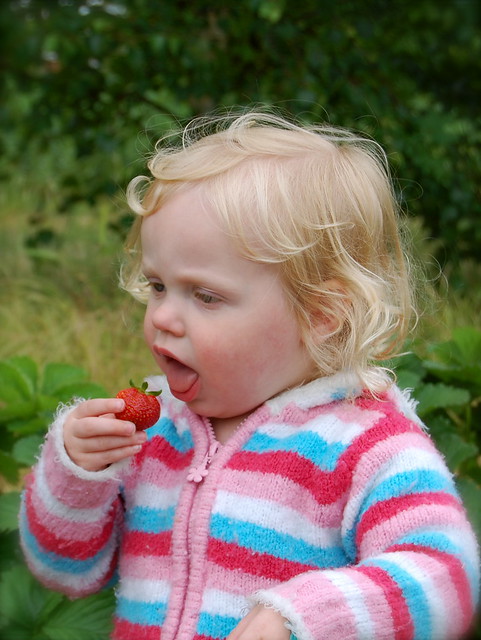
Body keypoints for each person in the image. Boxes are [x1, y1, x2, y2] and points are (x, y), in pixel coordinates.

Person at [20, 109, 479, 640]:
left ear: (321, 314)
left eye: (206, 295)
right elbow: (66, 572)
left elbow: (447, 579)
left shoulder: (367, 446)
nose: (163, 317)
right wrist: (76, 472)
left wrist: (303, 618)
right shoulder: (154, 435)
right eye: (158, 286)